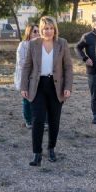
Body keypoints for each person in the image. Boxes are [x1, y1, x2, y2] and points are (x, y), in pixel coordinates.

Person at [20, 16, 73, 166]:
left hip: (56, 86)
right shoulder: (33, 44)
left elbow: (68, 67)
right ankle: (37, 153)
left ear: (54, 29)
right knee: (37, 120)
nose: (48, 31)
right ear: (41, 29)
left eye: (51, 28)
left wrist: (68, 87)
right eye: (45, 28)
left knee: (54, 120)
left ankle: (51, 149)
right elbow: (27, 66)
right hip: (38, 86)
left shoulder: (62, 43)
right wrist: (24, 87)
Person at [76, 17, 96, 124]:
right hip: (93, 72)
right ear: (94, 25)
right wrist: (85, 58)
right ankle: (95, 115)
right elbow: (77, 47)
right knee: (94, 95)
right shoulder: (87, 37)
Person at [14, 24, 39, 128]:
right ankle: (28, 121)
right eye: (35, 31)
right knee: (27, 99)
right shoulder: (23, 45)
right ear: (29, 32)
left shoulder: (41, 45)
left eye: (38, 31)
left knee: (38, 99)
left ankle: (39, 120)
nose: (37, 33)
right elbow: (21, 62)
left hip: (38, 77)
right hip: (25, 77)